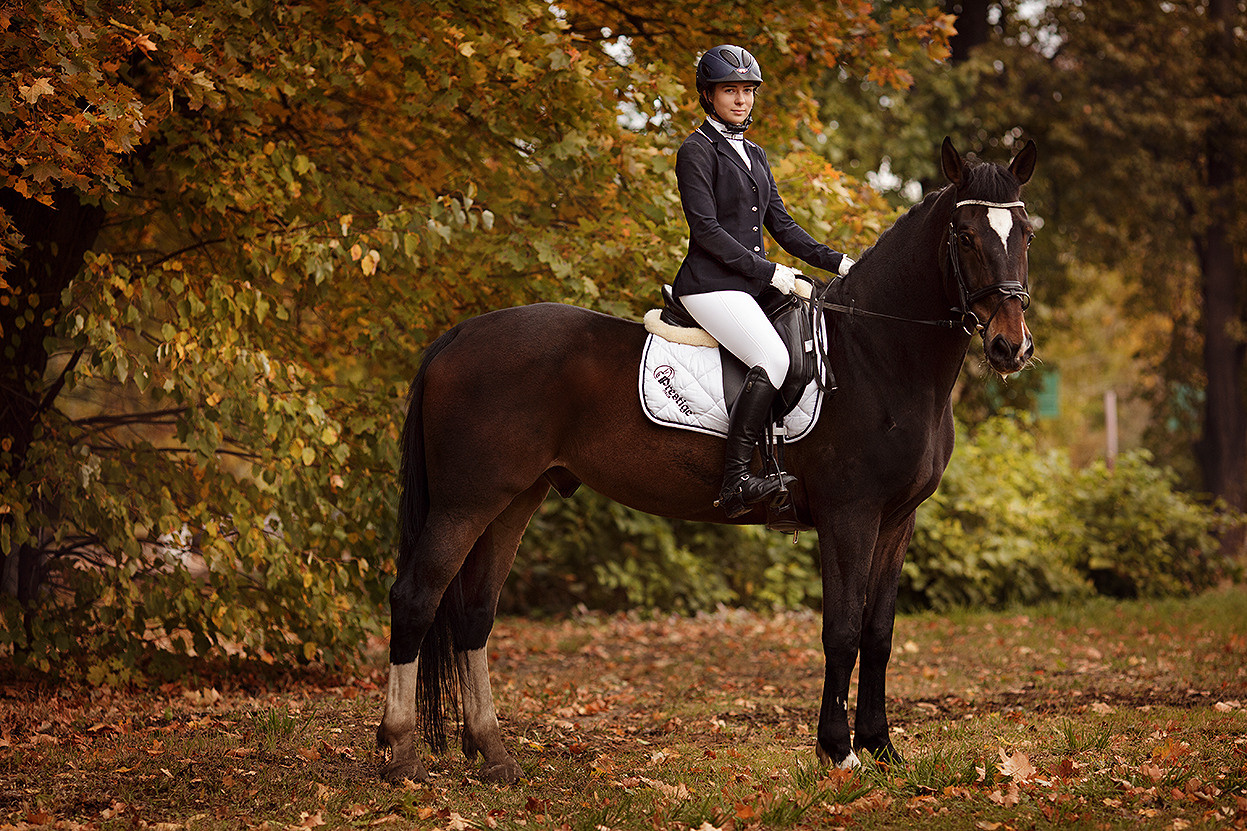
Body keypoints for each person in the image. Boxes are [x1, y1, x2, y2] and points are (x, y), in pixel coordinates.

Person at [673, 44, 854, 518]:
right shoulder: (695, 150)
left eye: (747, 91)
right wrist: (772, 272)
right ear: (708, 96)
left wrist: (841, 264)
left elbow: (783, 226)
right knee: (772, 358)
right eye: (730, 91)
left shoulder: (754, 153)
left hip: (749, 284)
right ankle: (735, 481)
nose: (741, 100)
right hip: (709, 284)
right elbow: (707, 231)